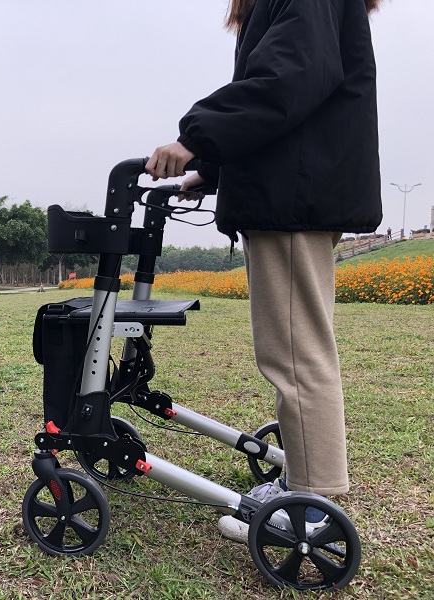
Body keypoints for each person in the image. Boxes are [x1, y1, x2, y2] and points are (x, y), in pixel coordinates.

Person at [145, 0, 384, 543]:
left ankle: (313, 507)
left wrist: (196, 140)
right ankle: (307, 483)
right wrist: (212, 168)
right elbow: (287, 101)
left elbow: (287, 81)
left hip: (293, 199)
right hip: (291, 191)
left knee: (297, 353)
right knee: (293, 350)